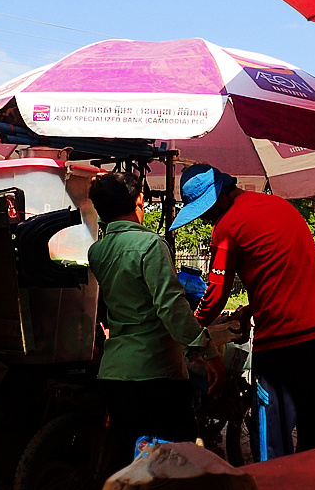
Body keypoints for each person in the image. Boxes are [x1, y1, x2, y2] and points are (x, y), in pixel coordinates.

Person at [171, 164, 315, 457]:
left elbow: (214, 296)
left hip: (281, 344)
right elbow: (286, 278)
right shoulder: (279, 206)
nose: (208, 218)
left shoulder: (227, 228)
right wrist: (249, 310)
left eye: (207, 210)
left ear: (221, 196)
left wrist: (190, 329)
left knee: (271, 438)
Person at [87, 172, 238, 462]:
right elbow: (171, 308)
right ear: (139, 200)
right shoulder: (150, 246)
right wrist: (208, 353)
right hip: (155, 372)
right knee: (176, 458)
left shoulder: (98, 251)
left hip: (114, 372)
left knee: (130, 460)